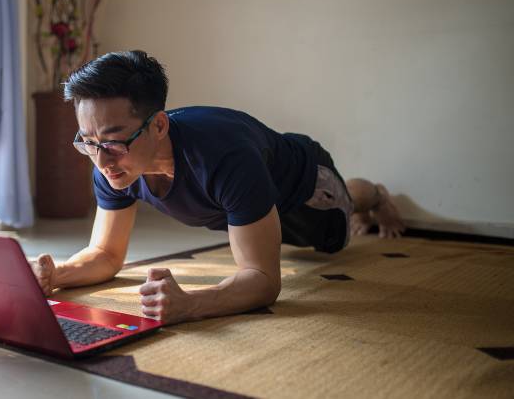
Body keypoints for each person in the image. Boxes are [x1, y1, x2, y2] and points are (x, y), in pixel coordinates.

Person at [31, 50, 405, 325]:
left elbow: (262, 280)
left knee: (334, 234)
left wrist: (190, 304)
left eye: (113, 141)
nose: (101, 159)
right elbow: (106, 254)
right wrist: (56, 275)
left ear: (159, 126)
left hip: (304, 186)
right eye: (89, 141)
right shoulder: (111, 161)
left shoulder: (224, 157)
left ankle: (376, 194)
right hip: (244, 203)